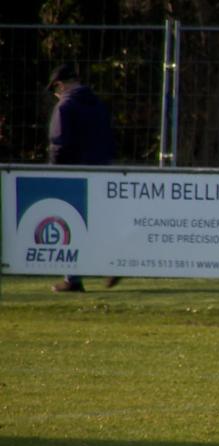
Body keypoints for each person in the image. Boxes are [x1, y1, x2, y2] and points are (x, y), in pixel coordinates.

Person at [45, 63, 119, 293]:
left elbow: (59, 143)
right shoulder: (97, 104)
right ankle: (113, 263)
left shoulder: (65, 106)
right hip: (100, 169)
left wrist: (53, 171)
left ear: (59, 85)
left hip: (72, 173)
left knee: (70, 224)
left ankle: (73, 279)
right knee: (97, 222)